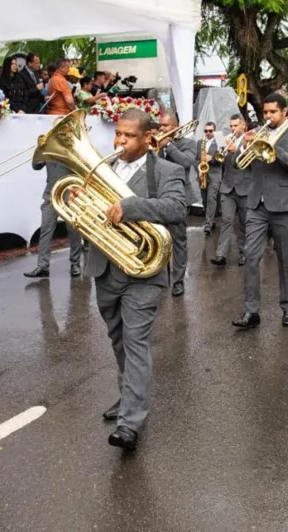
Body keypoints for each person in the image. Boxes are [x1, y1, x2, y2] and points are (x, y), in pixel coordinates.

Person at [90, 108, 187, 451]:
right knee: (117, 339)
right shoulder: (100, 169)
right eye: (118, 134)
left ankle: (130, 422)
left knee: (136, 343)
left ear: (148, 138)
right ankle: (127, 397)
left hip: (145, 272)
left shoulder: (167, 171)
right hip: (105, 268)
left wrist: (132, 207)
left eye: (128, 136)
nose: (120, 141)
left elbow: (177, 209)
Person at [233, 93, 288, 328]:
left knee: (285, 260)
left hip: (285, 204)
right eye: (265, 112)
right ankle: (251, 311)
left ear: (284, 112)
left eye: (272, 112)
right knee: (251, 257)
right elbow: (241, 165)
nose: (267, 116)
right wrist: (245, 147)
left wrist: (271, 148)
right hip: (257, 204)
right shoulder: (258, 132)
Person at [155, 112, 197, 297]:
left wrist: (169, 146)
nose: (162, 129)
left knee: (178, 241)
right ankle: (162, 277)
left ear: (176, 126)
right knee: (159, 239)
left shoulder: (188, 143)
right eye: (160, 126)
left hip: (179, 198)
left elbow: (185, 162)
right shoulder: (155, 143)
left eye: (166, 126)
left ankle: (178, 281)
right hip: (157, 198)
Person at [25, 152, 84, 279]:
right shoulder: (48, 149)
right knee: (45, 230)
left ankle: (75, 264)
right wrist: (39, 155)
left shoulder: (71, 148)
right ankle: (42, 266)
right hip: (51, 194)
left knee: (73, 231)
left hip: (70, 194)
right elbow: (35, 167)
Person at [211, 114, 249, 267]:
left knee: (243, 223)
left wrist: (236, 151)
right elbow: (216, 160)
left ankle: (244, 253)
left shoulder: (249, 140)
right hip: (227, 187)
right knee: (226, 221)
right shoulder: (226, 139)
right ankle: (221, 255)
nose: (233, 129)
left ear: (243, 125)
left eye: (235, 126)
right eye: (231, 126)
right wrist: (220, 148)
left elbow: (248, 163)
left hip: (244, 187)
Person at [197, 122, 223, 235]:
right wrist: (199, 170)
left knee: (211, 198)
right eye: (206, 131)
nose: (208, 133)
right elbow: (196, 159)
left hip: (215, 173)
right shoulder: (199, 142)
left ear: (214, 131)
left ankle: (208, 224)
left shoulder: (220, 141)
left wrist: (211, 158)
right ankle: (212, 219)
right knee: (204, 199)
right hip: (203, 173)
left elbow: (223, 158)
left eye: (210, 131)